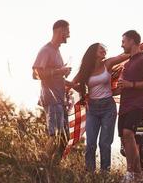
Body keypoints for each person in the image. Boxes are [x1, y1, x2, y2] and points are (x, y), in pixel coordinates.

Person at [72, 43, 130, 172]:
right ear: (93, 52)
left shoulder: (107, 63)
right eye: (100, 49)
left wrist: (138, 47)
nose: (104, 50)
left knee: (104, 143)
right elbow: (73, 83)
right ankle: (90, 173)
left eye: (104, 48)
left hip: (108, 108)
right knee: (91, 144)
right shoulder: (86, 69)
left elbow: (123, 57)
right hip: (92, 109)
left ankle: (105, 173)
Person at [117, 30, 143, 182]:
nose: (121, 45)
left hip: (137, 105)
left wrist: (131, 84)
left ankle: (130, 173)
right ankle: (138, 174)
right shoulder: (127, 64)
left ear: (133, 41)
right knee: (125, 138)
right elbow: (123, 86)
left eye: (123, 42)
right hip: (124, 107)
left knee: (128, 133)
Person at [32, 19, 73, 162]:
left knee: (64, 138)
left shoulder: (57, 51)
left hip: (60, 100)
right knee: (55, 135)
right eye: (67, 31)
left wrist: (71, 83)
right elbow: (36, 74)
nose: (69, 35)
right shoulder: (46, 50)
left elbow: (57, 76)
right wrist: (59, 71)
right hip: (52, 99)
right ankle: (40, 166)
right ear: (60, 30)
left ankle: (52, 168)